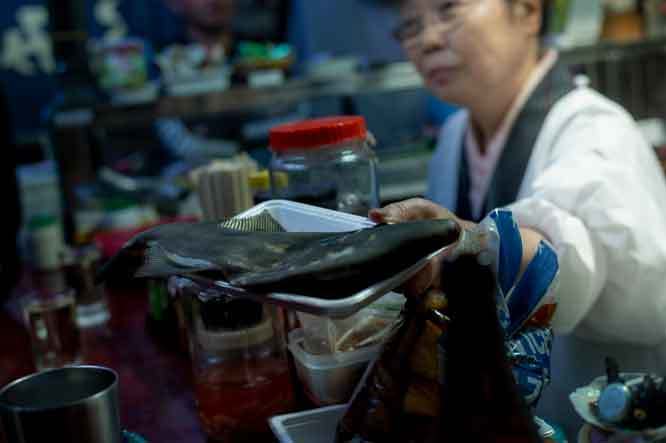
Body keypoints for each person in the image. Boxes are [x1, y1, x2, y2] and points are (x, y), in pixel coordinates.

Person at [371, 0, 666, 438]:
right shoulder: (454, 138)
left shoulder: (596, 130)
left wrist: (480, 244)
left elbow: (583, 246)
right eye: (410, 25)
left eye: (448, 9)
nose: (428, 40)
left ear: (527, 11)